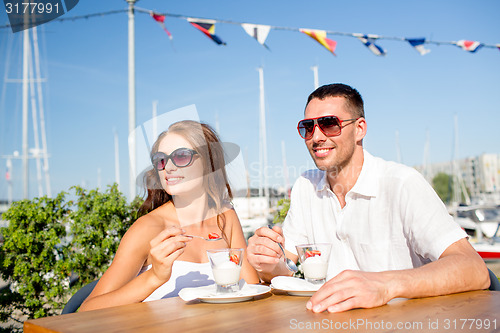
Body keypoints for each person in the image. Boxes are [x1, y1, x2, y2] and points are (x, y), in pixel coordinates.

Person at [247, 83, 489, 313]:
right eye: (308, 127)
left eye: (329, 124)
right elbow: (286, 269)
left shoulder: (402, 183)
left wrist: (384, 285)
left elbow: (474, 269)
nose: (316, 136)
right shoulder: (305, 186)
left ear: (359, 129)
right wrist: (268, 263)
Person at [80, 120, 259, 311]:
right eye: (161, 160)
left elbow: (250, 287)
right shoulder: (148, 228)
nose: (168, 167)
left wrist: (266, 262)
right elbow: (87, 310)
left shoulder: (225, 216)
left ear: (209, 163)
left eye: (181, 156)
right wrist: (154, 277)